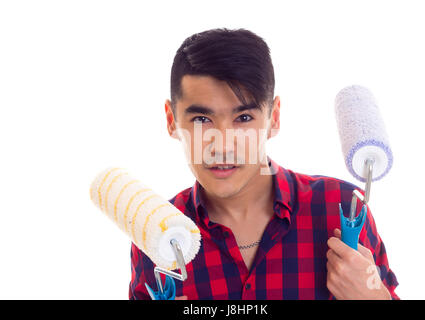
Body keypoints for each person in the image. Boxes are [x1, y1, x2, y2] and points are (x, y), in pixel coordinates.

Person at [129, 28, 399, 300]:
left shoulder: (339, 206)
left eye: (243, 118)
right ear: (171, 120)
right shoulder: (155, 235)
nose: (223, 146)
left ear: (274, 118)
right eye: (201, 119)